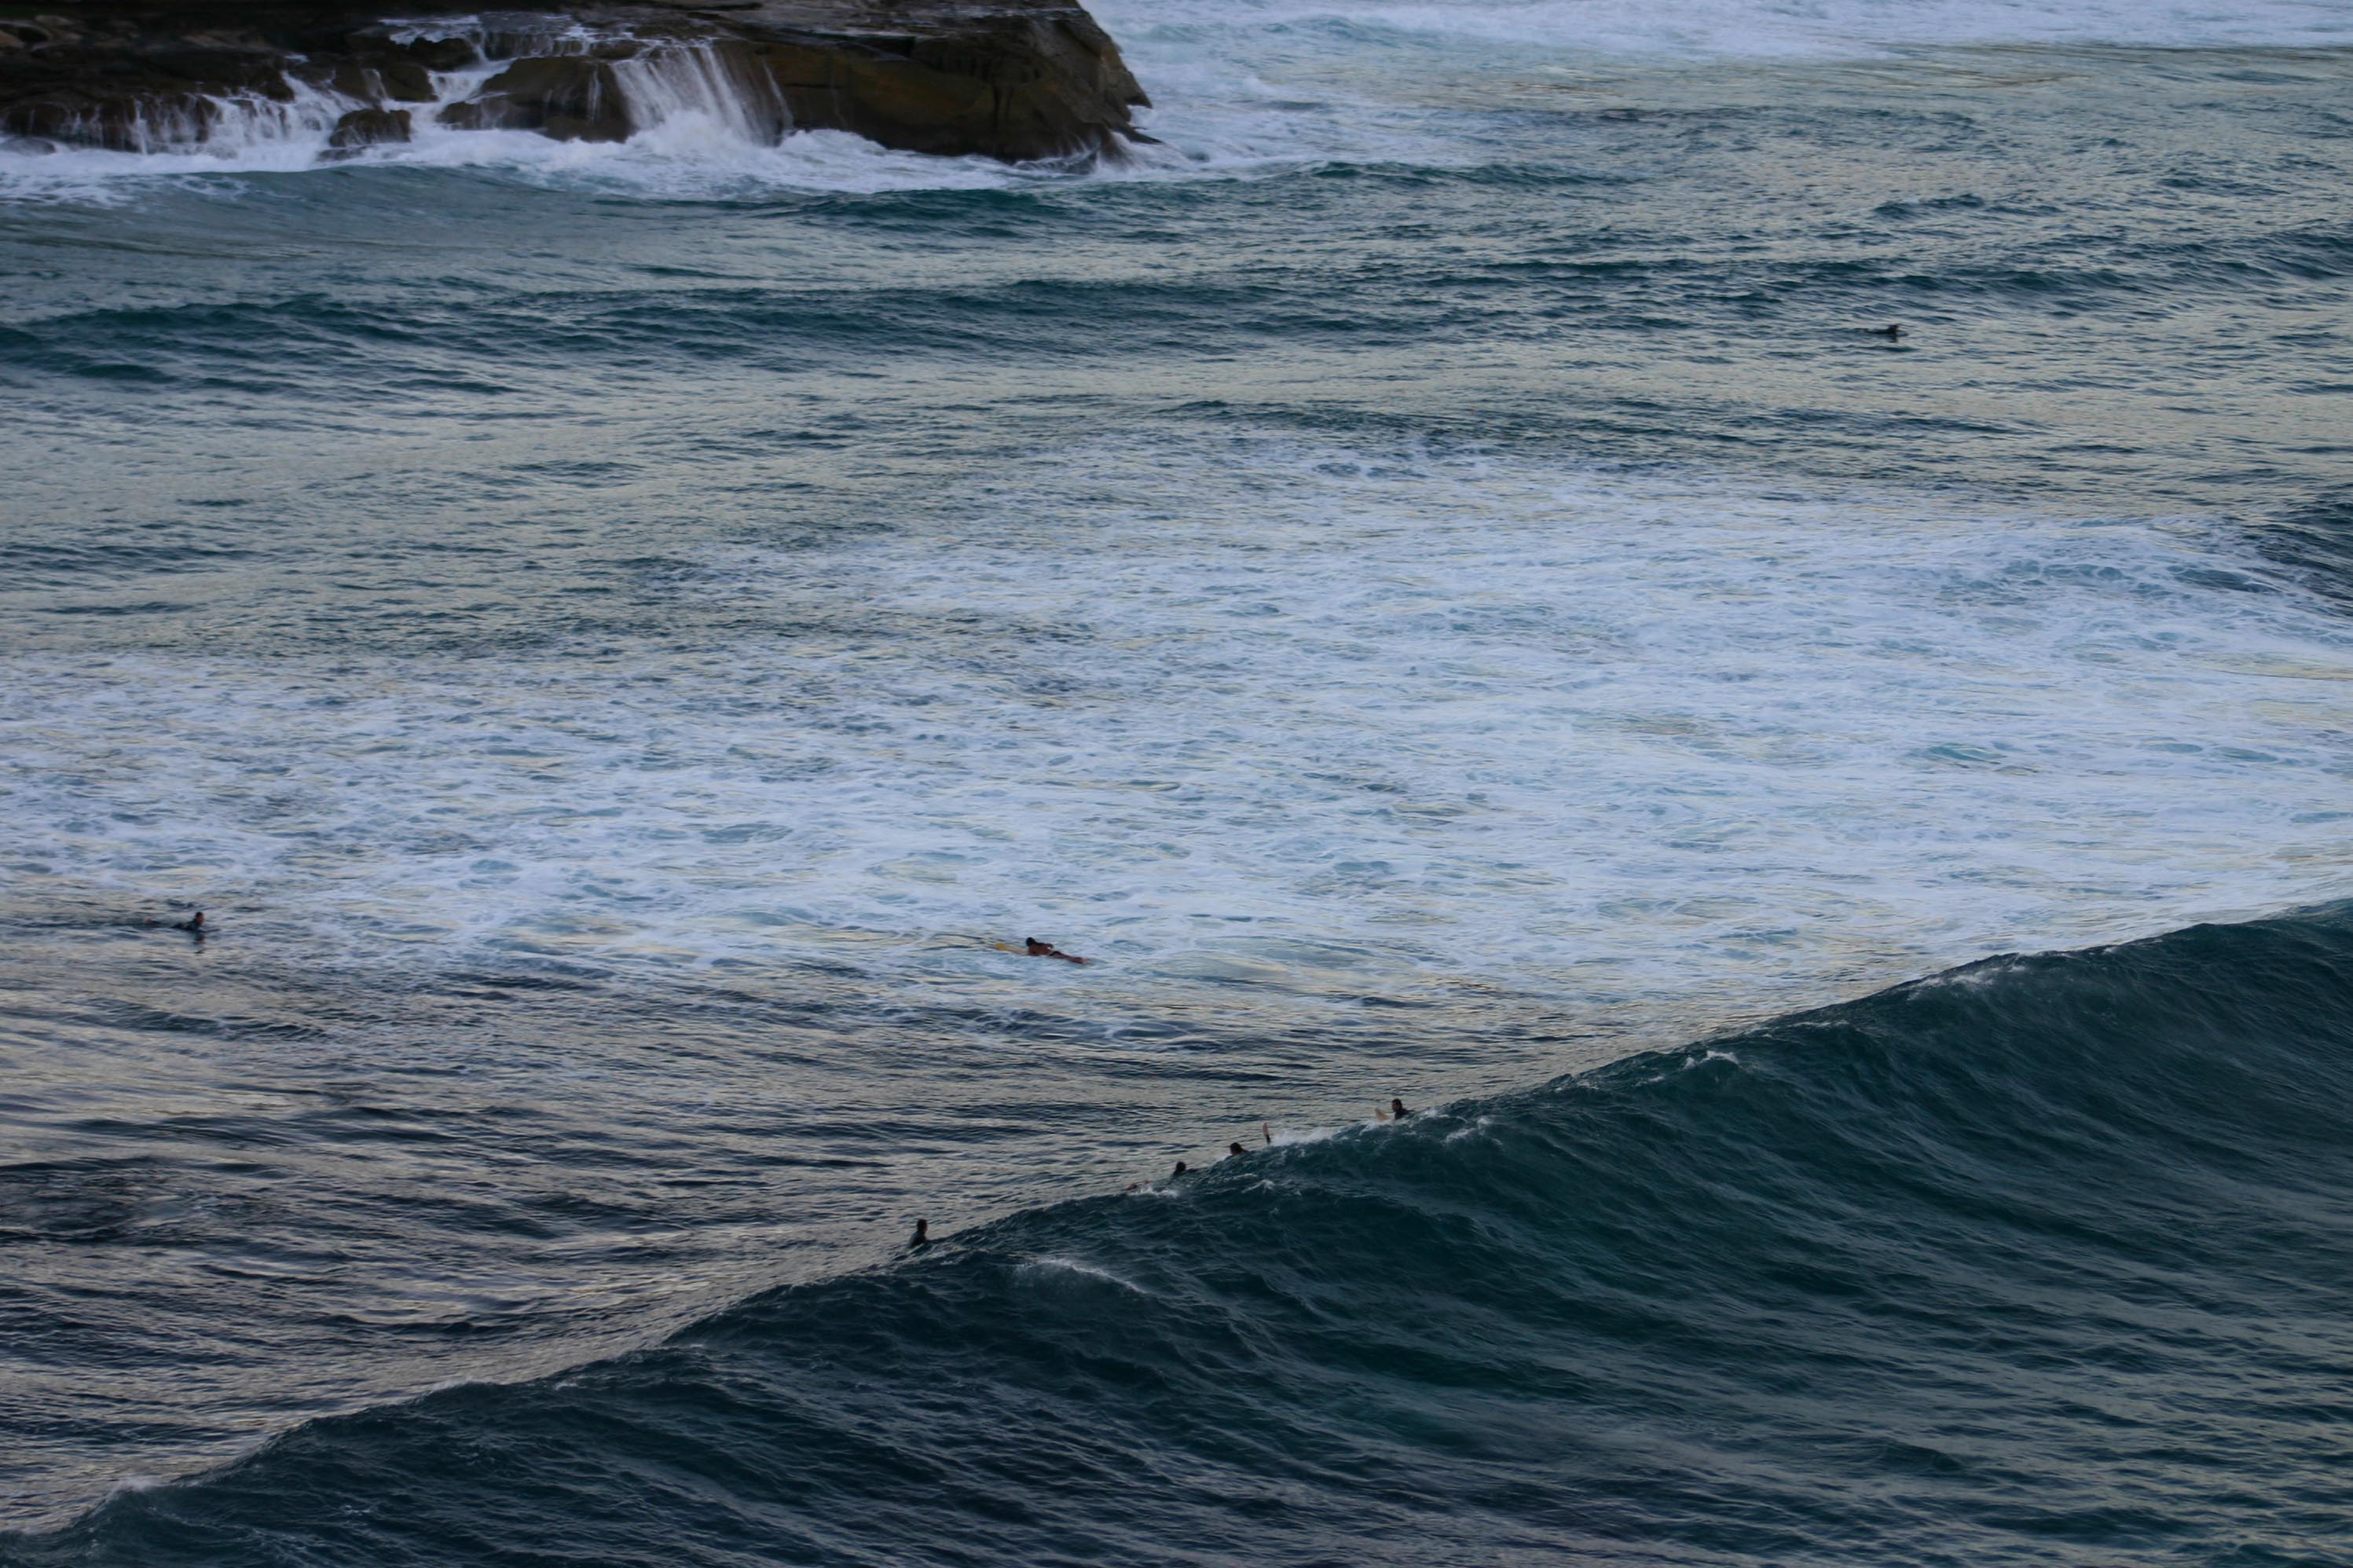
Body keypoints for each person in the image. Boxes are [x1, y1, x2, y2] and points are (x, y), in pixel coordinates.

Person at [1023, 936, 1088, 964]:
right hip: (1054, 952)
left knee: (1068, 959)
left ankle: (1081, 962)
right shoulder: (1041, 944)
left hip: (1051, 955)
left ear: (1029, 944)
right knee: (1068, 957)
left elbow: (1030, 955)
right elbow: (1051, 945)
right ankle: (1083, 959)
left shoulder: (1031, 948)